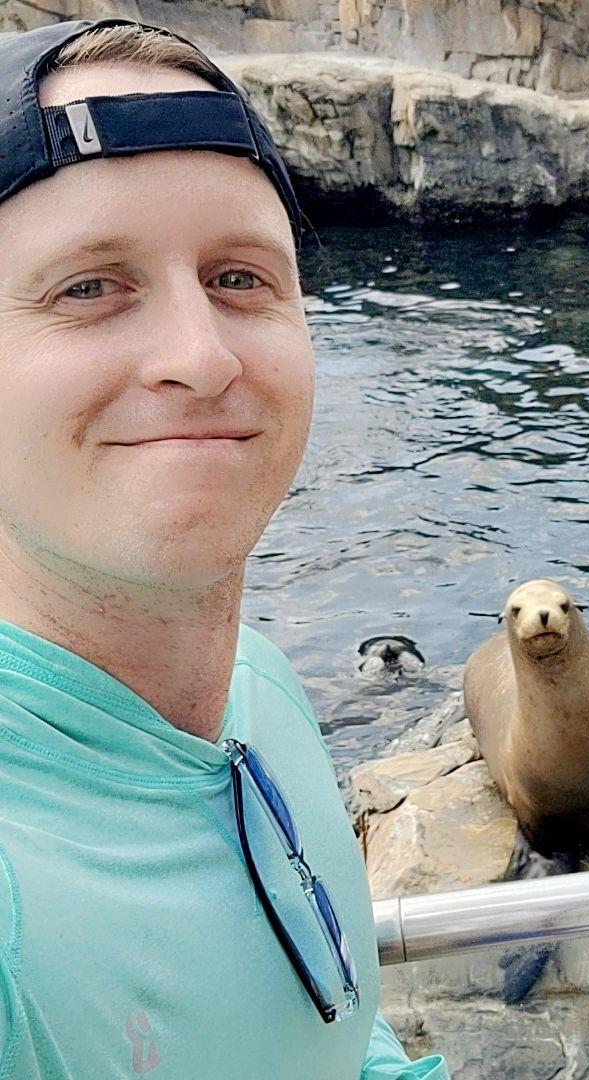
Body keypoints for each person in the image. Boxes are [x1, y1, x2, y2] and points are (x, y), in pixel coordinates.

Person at [0, 18, 448, 1079]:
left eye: (240, 278)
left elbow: (331, 1030)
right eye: (90, 287)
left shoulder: (262, 691)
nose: (199, 359)